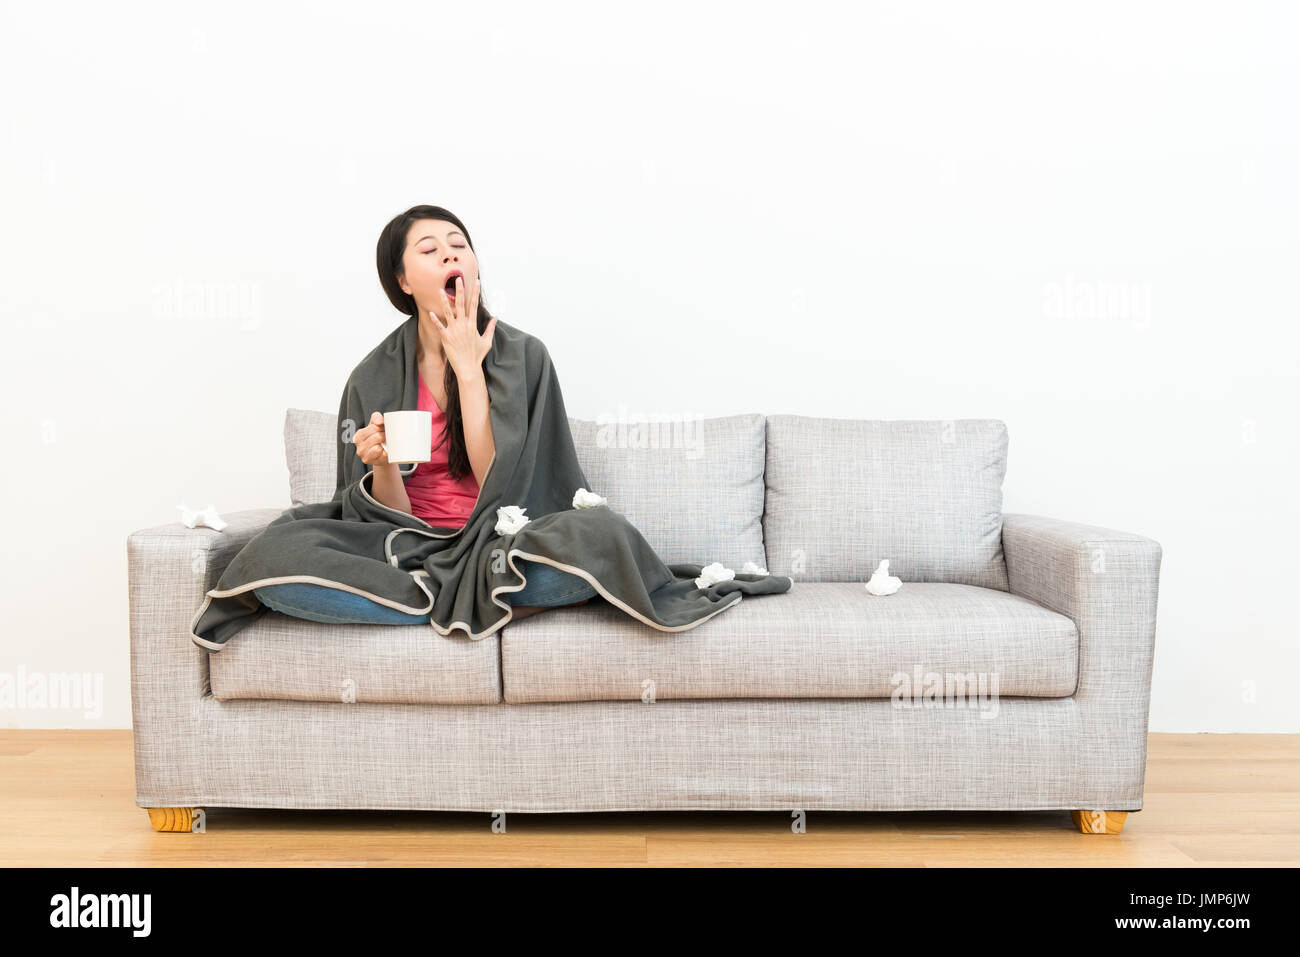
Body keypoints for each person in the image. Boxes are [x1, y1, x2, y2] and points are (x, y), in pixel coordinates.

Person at [253, 205, 596, 625]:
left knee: (601, 541)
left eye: (459, 246)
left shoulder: (526, 356)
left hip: (503, 543)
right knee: (273, 556)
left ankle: (427, 602)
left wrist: (469, 372)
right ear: (403, 281)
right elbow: (384, 517)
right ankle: (475, 602)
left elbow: (502, 484)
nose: (451, 255)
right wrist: (383, 466)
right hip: (409, 547)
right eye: (430, 250)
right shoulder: (371, 377)